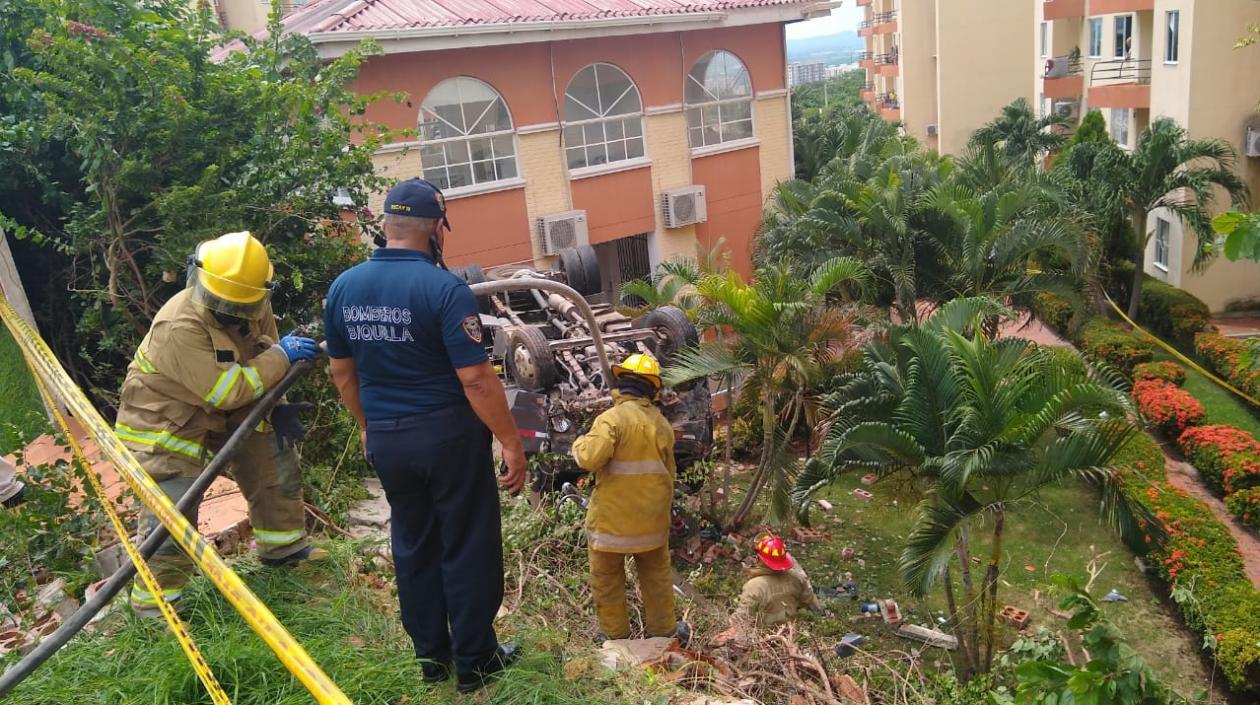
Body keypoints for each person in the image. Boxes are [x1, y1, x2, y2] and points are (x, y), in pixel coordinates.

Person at [324, 178, 527, 693]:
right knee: (467, 542)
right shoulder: (444, 290)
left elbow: (342, 374)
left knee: (413, 544)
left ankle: (431, 659)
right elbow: (475, 379)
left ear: (386, 225)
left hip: (388, 440)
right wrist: (509, 440)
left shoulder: (344, 287)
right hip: (447, 438)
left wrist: (368, 427)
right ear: (436, 229)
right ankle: (475, 660)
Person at [114, 231, 325, 616]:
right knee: (174, 512)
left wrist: (277, 407)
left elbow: (263, 358)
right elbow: (226, 391)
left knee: (274, 460)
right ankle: (155, 608)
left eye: (239, 305)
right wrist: (282, 356)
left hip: (231, 401)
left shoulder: (253, 301)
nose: (229, 311)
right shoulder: (179, 325)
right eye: (222, 302)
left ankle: (284, 550)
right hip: (166, 421)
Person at [571, 353, 687, 644]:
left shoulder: (611, 419)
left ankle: (615, 638)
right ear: (652, 389)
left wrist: (579, 442)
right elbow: (669, 474)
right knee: (657, 578)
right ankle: (664, 634)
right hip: (651, 527)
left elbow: (589, 458)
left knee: (607, 580)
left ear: (621, 383)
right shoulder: (661, 424)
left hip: (611, 527)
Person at [716, 534, 822, 644]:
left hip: (762, 640)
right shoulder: (796, 577)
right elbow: (809, 600)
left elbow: (741, 620)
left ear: (759, 559)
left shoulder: (754, 586)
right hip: (790, 636)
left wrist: (721, 634)